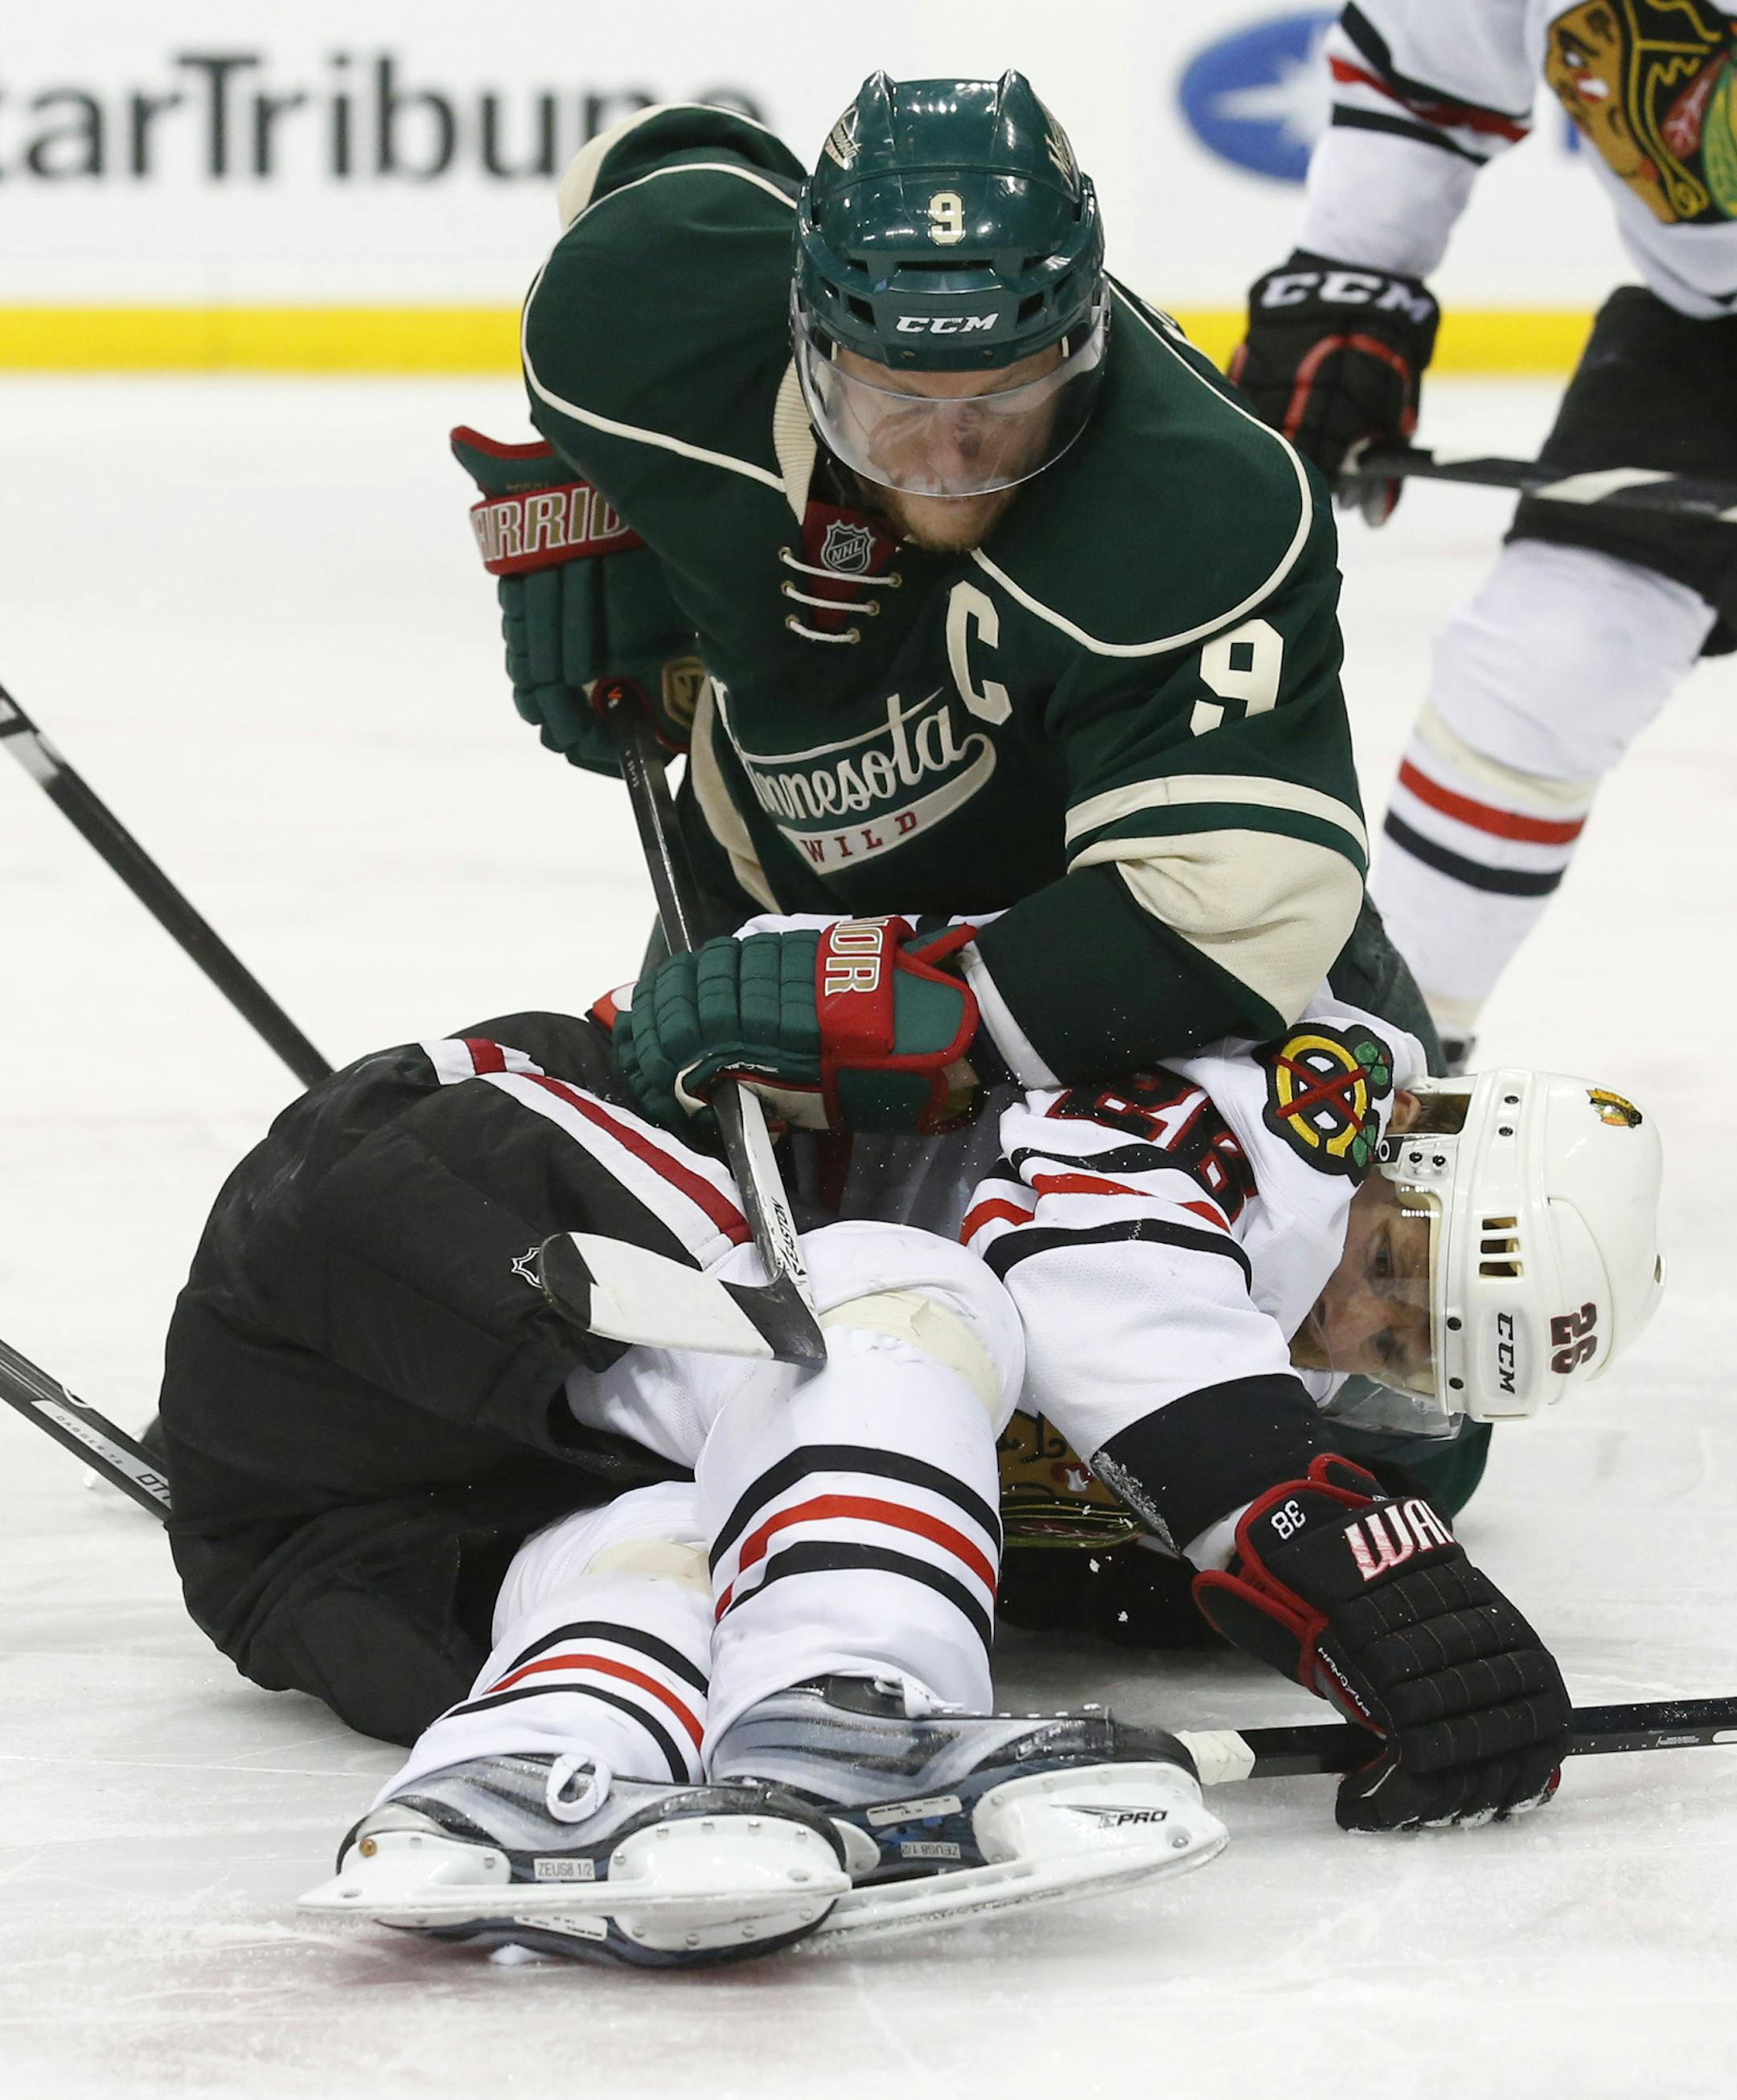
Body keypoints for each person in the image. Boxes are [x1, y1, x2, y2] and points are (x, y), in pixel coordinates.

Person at [155, 926, 1662, 1963]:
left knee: (691, 1557)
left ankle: (522, 1771)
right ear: (1417, 1143)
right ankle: (851, 1713)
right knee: (900, 1296)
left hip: (317, 1538)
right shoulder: (1286, 1092)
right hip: (427, 1195)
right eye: (1400, 1260)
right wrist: (1329, 1545)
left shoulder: (1250, 1373)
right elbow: (1086, 1241)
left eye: (1397, 1347)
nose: (1356, 1315)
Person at [454, 67, 1435, 1114]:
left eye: (1005, 400)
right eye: (897, 403)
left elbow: (1220, 914)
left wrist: (909, 1026)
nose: (950, 459)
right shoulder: (639, 309)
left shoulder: (1203, 503)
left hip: (1136, 978)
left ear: (1082, 341)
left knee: (1393, 1249)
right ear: (809, 332)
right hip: (771, 898)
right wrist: (600, 486)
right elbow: (646, 168)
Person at [1231, 1, 1737, 1068]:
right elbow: (1421, 69)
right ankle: (1381, 1063)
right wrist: (1354, 279)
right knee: (1544, 660)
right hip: (1710, 341)